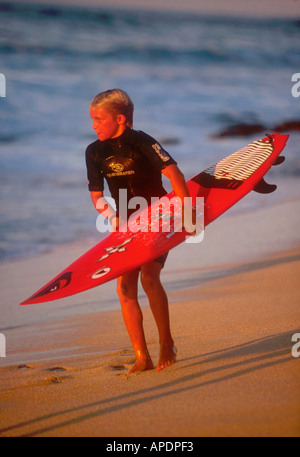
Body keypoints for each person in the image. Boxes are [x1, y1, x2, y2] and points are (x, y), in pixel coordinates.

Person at [86, 89, 192, 373]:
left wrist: (187, 214)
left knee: (149, 277)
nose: (94, 125)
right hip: (126, 225)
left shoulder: (142, 141)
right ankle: (142, 356)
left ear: (119, 119)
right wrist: (112, 216)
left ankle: (166, 342)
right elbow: (97, 196)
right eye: (92, 120)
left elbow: (175, 174)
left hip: (159, 216)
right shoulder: (95, 151)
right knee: (124, 289)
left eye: (99, 119)